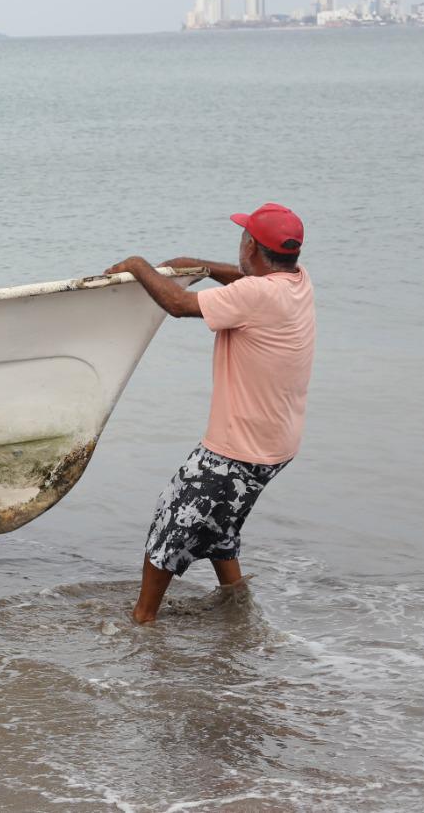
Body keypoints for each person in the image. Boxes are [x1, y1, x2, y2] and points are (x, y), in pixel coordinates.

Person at [104, 202, 315, 624]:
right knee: (221, 521)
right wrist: (200, 265)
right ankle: (235, 602)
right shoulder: (298, 281)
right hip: (278, 444)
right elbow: (246, 281)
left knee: (172, 521)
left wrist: (138, 265)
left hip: (239, 448)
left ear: (251, 245)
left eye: (243, 237)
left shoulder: (255, 294)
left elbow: (180, 305)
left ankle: (141, 620)